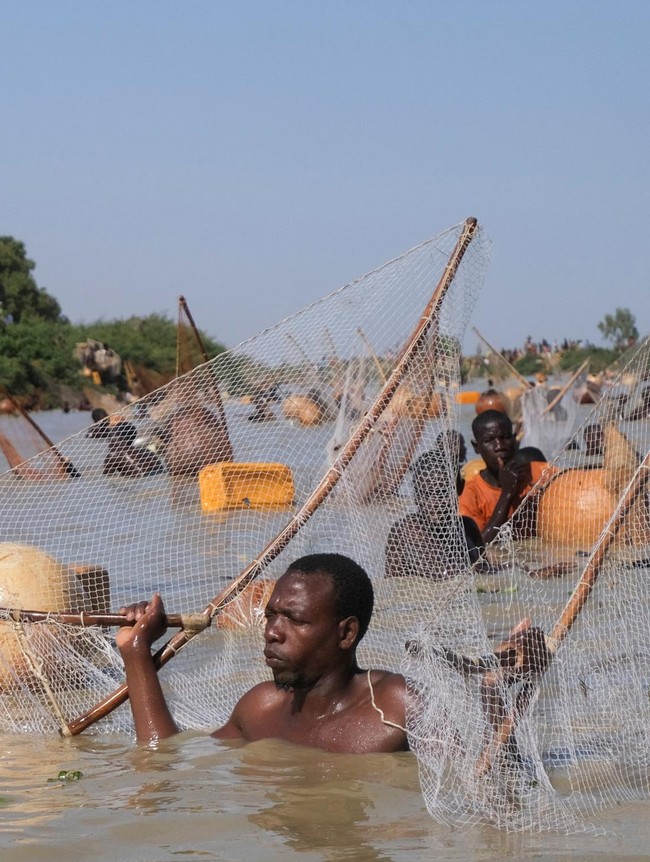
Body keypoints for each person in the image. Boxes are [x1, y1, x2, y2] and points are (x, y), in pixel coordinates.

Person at [118, 553, 550, 757]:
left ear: (346, 633)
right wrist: (138, 654)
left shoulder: (398, 706)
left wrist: (505, 700)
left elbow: (486, 786)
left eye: (295, 620)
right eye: (270, 616)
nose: (271, 632)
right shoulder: (259, 707)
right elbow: (167, 763)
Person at [385, 449, 485, 578]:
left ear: (458, 489)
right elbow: (394, 586)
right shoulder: (403, 534)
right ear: (416, 495)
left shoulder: (467, 527)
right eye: (426, 494)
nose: (434, 503)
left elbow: (485, 570)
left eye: (441, 493)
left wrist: (511, 565)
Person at [459, 411, 550, 543]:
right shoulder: (471, 494)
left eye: (505, 438)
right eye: (489, 441)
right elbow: (479, 547)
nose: (499, 446)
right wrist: (507, 494)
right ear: (476, 447)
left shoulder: (539, 473)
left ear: (514, 440)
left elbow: (577, 483)